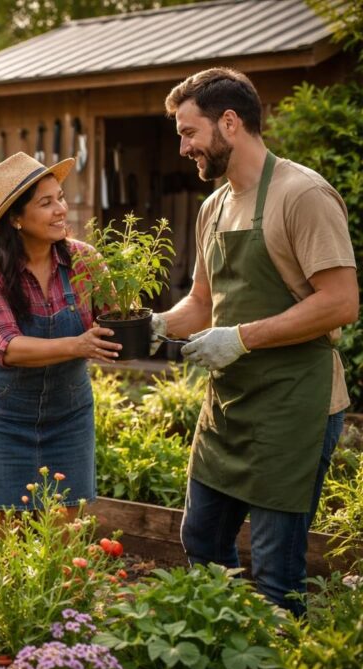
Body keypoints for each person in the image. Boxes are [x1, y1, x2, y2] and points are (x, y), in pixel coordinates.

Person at [155, 68, 357, 616]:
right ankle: (224, 643)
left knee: (274, 570)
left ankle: (280, 660)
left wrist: (241, 338)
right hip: (230, 404)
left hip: (296, 405)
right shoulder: (213, 207)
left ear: (230, 122)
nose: (184, 147)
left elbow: (341, 302)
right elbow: (201, 301)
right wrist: (153, 325)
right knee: (201, 540)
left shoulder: (302, 194)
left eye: (189, 132)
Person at [0, 151, 122, 543]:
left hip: (68, 413)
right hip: (0, 414)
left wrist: (141, 328)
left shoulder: (85, 261)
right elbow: (8, 347)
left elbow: (114, 318)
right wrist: (79, 344)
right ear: (16, 218)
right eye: (46, 203)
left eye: (61, 198)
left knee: (64, 531)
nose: (61, 210)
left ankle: (63, 606)